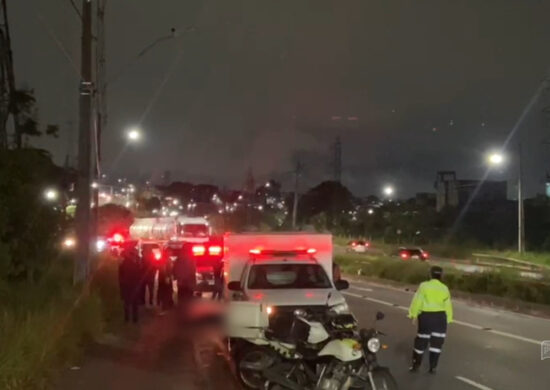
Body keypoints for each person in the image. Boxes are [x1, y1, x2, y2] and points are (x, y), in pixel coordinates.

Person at [408, 266, 453, 374]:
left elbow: (417, 301)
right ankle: (433, 367)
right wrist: (449, 319)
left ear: (430, 274)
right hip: (440, 318)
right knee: (437, 344)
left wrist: (413, 315)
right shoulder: (444, 288)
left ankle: (416, 366)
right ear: (441, 276)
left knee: (421, 342)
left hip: (426, 318)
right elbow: (448, 305)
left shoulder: (424, 286)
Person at [118, 241, 142, 323]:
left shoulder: (124, 263)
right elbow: (139, 273)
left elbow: (120, 275)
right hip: (133, 284)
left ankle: (127, 319)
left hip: (127, 284)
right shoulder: (135, 263)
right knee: (134, 303)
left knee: (127, 302)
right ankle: (134, 319)